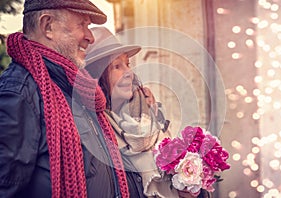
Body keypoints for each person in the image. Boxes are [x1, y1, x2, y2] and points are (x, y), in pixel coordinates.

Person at [0, 0, 144, 197]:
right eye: (82, 25)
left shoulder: (75, 89)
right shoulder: (20, 93)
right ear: (48, 26)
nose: (90, 36)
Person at [85, 27, 211, 198]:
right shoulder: (91, 131)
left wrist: (192, 190)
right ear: (96, 75)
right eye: (116, 66)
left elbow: (177, 173)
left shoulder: (148, 113)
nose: (128, 73)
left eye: (127, 64)